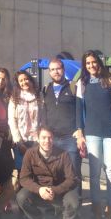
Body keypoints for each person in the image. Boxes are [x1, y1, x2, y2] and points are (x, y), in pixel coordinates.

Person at [75, 51, 111, 219]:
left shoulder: (110, 80)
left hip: (110, 132)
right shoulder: (82, 83)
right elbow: (78, 109)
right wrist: (79, 131)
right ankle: (96, 208)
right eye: (87, 63)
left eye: (93, 62)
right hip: (91, 132)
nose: (91, 65)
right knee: (94, 174)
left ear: (99, 62)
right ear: (84, 66)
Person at [17, 126, 79, 219]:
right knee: (21, 197)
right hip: (39, 192)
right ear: (38, 139)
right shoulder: (30, 154)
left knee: (74, 201)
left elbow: (71, 179)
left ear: (53, 138)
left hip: (60, 191)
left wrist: (54, 190)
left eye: (50, 138)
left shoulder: (63, 154)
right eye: (43, 137)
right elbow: (23, 178)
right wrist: (39, 189)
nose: (47, 141)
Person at [41, 59, 81, 198]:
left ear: (63, 69)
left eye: (58, 69)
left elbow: (79, 110)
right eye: (52, 69)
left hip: (70, 138)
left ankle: (75, 204)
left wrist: (79, 129)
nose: (55, 72)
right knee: (55, 173)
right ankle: (58, 204)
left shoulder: (73, 87)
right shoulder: (46, 89)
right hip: (52, 139)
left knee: (73, 173)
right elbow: (44, 112)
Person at [8, 70, 41, 171]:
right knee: (22, 168)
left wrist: (40, 138)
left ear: (30, 80)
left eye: (26, 79)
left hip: (36, 140)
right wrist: (18, 141)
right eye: (21, 81)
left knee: (36, 168)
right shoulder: (14, 98)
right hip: (21, 140)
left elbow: (43, 118)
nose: (24, 82)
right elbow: (12, 120)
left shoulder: (39, 96)